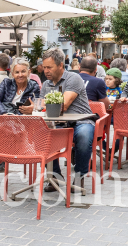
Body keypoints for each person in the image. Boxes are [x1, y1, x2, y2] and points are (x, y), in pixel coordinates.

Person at [21, 49, 95, 189]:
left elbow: (63, 104)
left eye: (50, 67)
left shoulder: (74, 78)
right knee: (42, 134)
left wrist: (38, 105)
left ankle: (79, 177)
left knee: (84, 135)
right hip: (58, 123)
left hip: (81, 121)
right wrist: (36, 108)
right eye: (44, 67)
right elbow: (44, 108)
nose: (46, 71)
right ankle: (54, 176)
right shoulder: (47, 84)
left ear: (61, 65)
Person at [0, 58, 41, 192]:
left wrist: (33, 108)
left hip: (21, 125)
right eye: (17, 72)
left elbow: (38, 105)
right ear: (12, 73)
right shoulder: (6, 83)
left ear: (28, 72)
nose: (20, 75)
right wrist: (4, 114)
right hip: (2, 121)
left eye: (23, 71)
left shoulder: (33, 86)